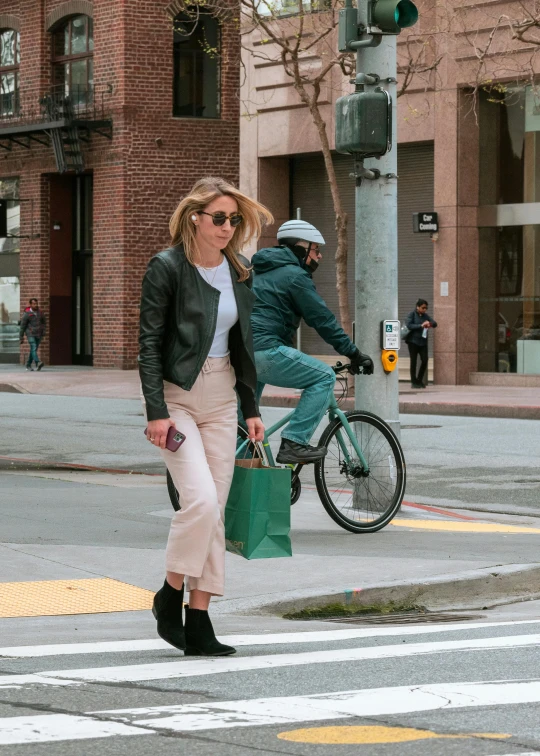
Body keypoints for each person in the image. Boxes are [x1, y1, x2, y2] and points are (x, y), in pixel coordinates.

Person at [139, 177, 271, 657]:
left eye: (234, 219)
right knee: (199, 502)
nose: (227, 227)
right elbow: (149, 345)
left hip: (221, 398)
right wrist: (156, 411)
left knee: (213, 509)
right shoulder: (167, 267)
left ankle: (197, 616)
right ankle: (169, 595)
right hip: (176, 396)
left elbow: (244, 342)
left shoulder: (238, 270)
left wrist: (251, 406)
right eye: (219, 218)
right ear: (195, 217)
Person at [248, 220, 374, 464]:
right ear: (301, 248)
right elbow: (322, 320)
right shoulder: (295, 276)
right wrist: (354, 353)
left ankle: (241, 478)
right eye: (315, 250)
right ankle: (294, 442)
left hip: (242, 353)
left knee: (246, 427)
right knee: (324, 376)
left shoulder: (258, 272)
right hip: (266, 349)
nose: (319, 256)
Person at [405, 298, 437, 388]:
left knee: (425, 360)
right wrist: (421, 325)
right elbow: (409, 325)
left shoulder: (425, 316)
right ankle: (414, 381)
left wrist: (429, 324)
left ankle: (419, 379)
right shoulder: (412, 314)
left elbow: (435, 323)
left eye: (426, 308)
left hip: (422, 342)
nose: (424, 310)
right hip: (413, 342)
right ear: (418, 307)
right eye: (423, 308)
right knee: (413, 361)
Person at [19, 298, 46, 371]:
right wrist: (21, 337)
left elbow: (44, 322)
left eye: (36, 303)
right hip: (30, 333)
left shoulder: (40, 313)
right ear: (30, 305)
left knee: (33, 349)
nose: (35, 305)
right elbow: (22, 326)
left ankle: (28, 364)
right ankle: (38, 362)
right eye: (34, 304)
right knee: (33, 347)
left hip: (39, 333)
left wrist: (43, 331)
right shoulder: (27, 314)